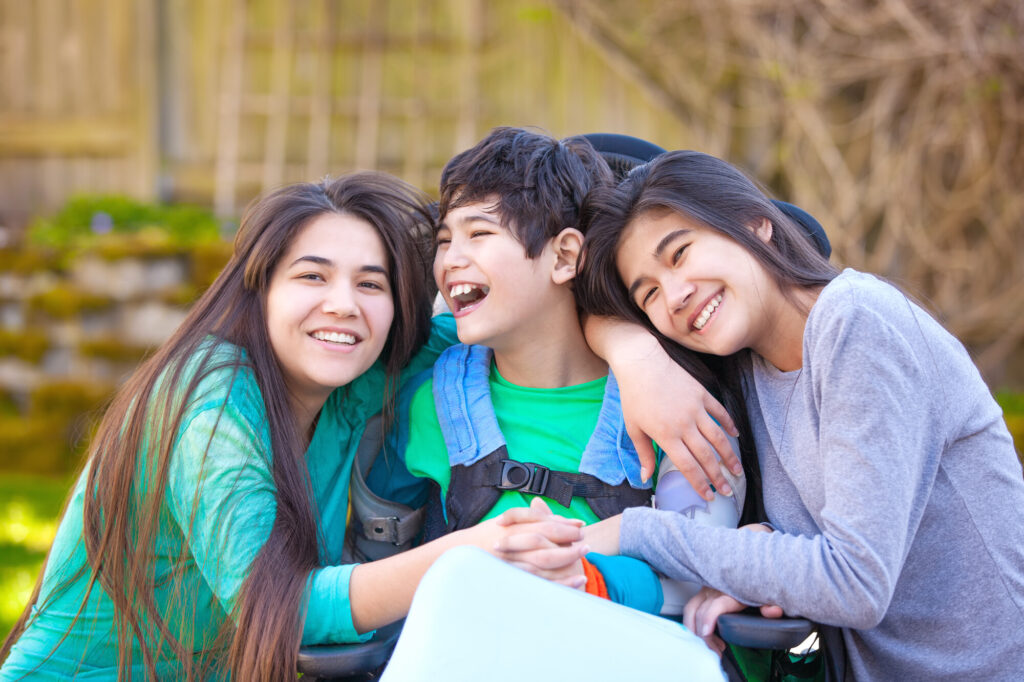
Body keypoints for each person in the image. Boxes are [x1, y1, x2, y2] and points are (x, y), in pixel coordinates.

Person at [0, 173, 586, 681]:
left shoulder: (353, 383)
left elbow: (508, 319)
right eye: (312, 276)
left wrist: (635, 352)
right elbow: (278, 610)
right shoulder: (210, 407)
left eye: (370, 284)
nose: (343, 305)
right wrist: (472, 552)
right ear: (261, 291)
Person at [564, 150, 1024, 679]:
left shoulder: (856, 322)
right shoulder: (749, 373)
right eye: (648, 294)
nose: (675, 295)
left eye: (681, 254)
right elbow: (571, 304)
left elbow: (854, 581)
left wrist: (636, 532)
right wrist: (632, 353)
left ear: (755, 224)